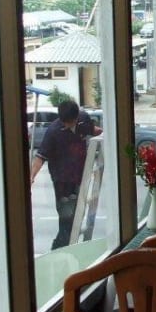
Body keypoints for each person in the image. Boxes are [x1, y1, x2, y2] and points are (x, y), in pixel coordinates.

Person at [30, 100, 101, 250]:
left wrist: (107, 135)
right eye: (64, 122)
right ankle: (58, 250)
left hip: (80, 177)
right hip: (62, 181)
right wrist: (31, 176)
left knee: (77, 215)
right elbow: (40, 157)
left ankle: (68, 248)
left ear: (76, 117)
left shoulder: (83, 119)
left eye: (69, 122)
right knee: (67, 220)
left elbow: (92, 130)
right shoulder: (53, 132)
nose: (67, 125)